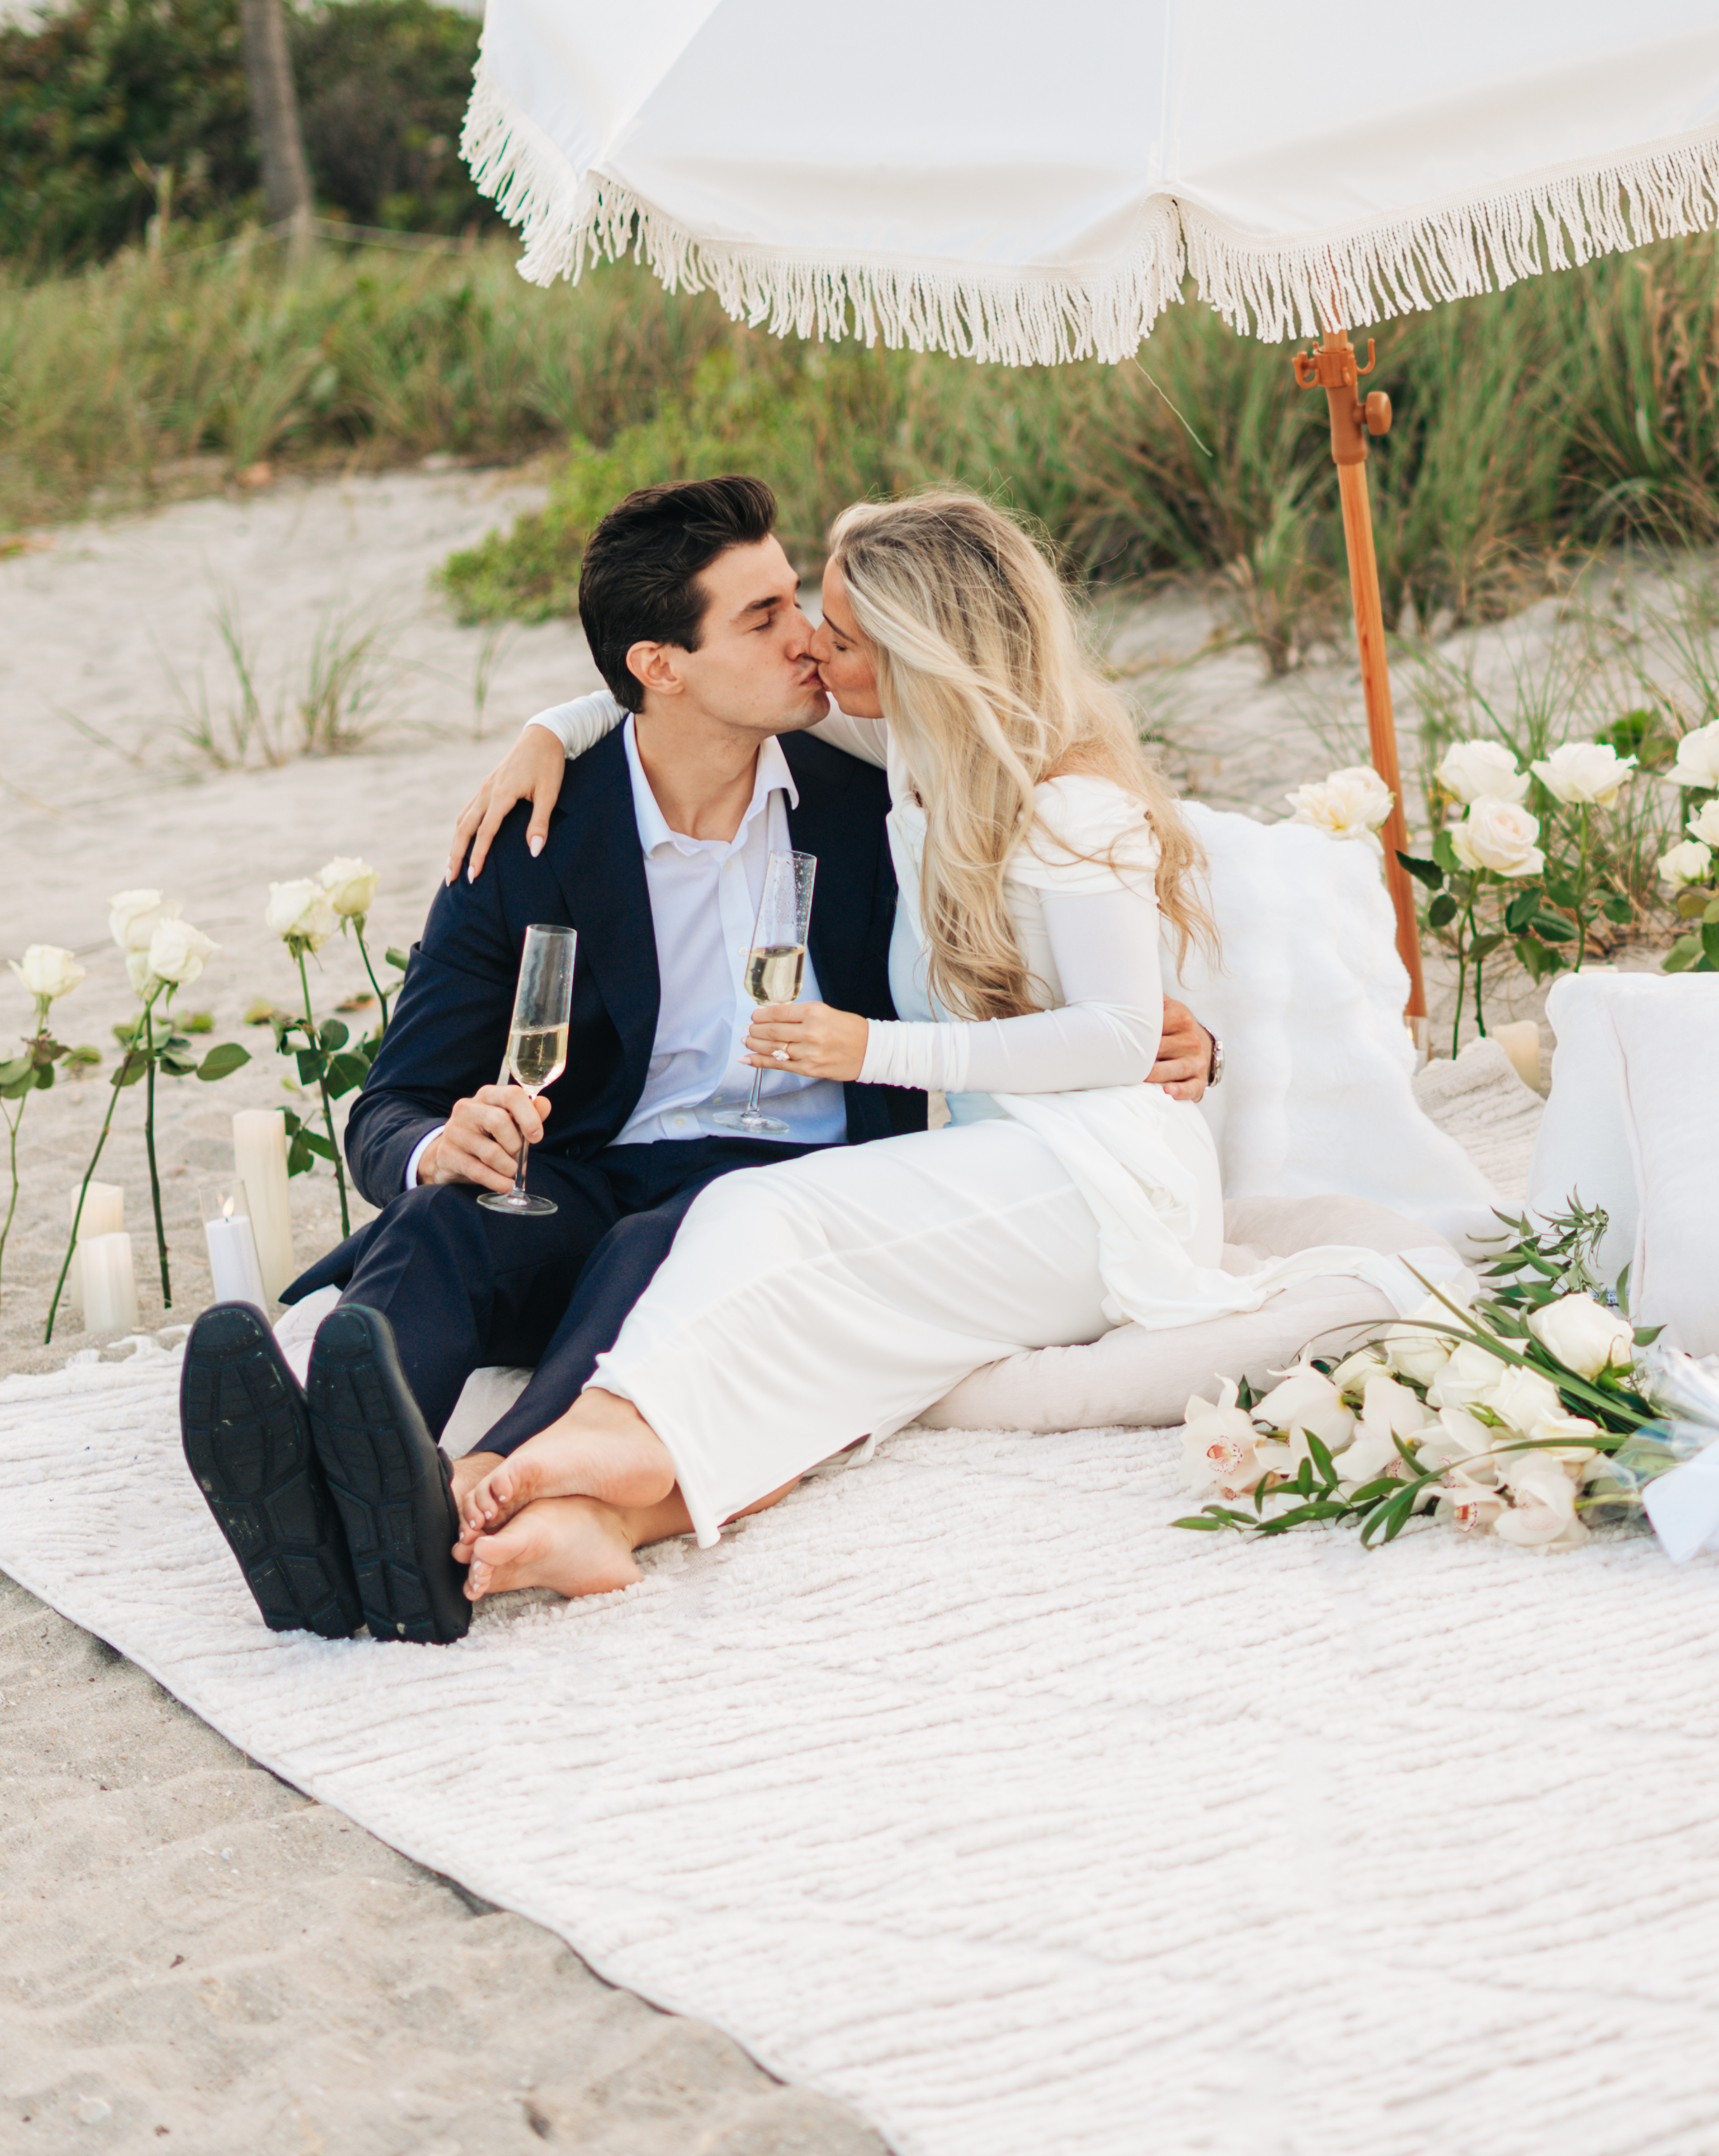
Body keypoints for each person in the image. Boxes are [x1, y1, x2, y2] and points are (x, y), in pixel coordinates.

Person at [174, 476, 1219, 1645]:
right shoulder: (531, 837)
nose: (810, 641)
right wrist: (430, 1146)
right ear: (661, 666)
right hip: (604, 1165)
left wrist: (1184, 1037)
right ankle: (325, 1490)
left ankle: (458, 1504)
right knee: (443, 1221)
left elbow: (1056, 921)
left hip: (798, 1185)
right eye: (766, 616)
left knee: (655, 1240)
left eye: (803, 608)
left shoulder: (871, 793)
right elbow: (393, 1099)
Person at [440, 489, 1399, 1603]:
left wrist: (874, 1051)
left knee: (758, 1214)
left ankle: (600, 1434)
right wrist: (551, 729)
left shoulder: (1071, 804)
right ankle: (611, 1516)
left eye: (839, 637)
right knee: (819, 1332)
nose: (810, 648)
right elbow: (681, 697)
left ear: (914, 656)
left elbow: (1123, 1032)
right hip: (1004, 1178)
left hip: (1102, 1180)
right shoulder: (910, 761)